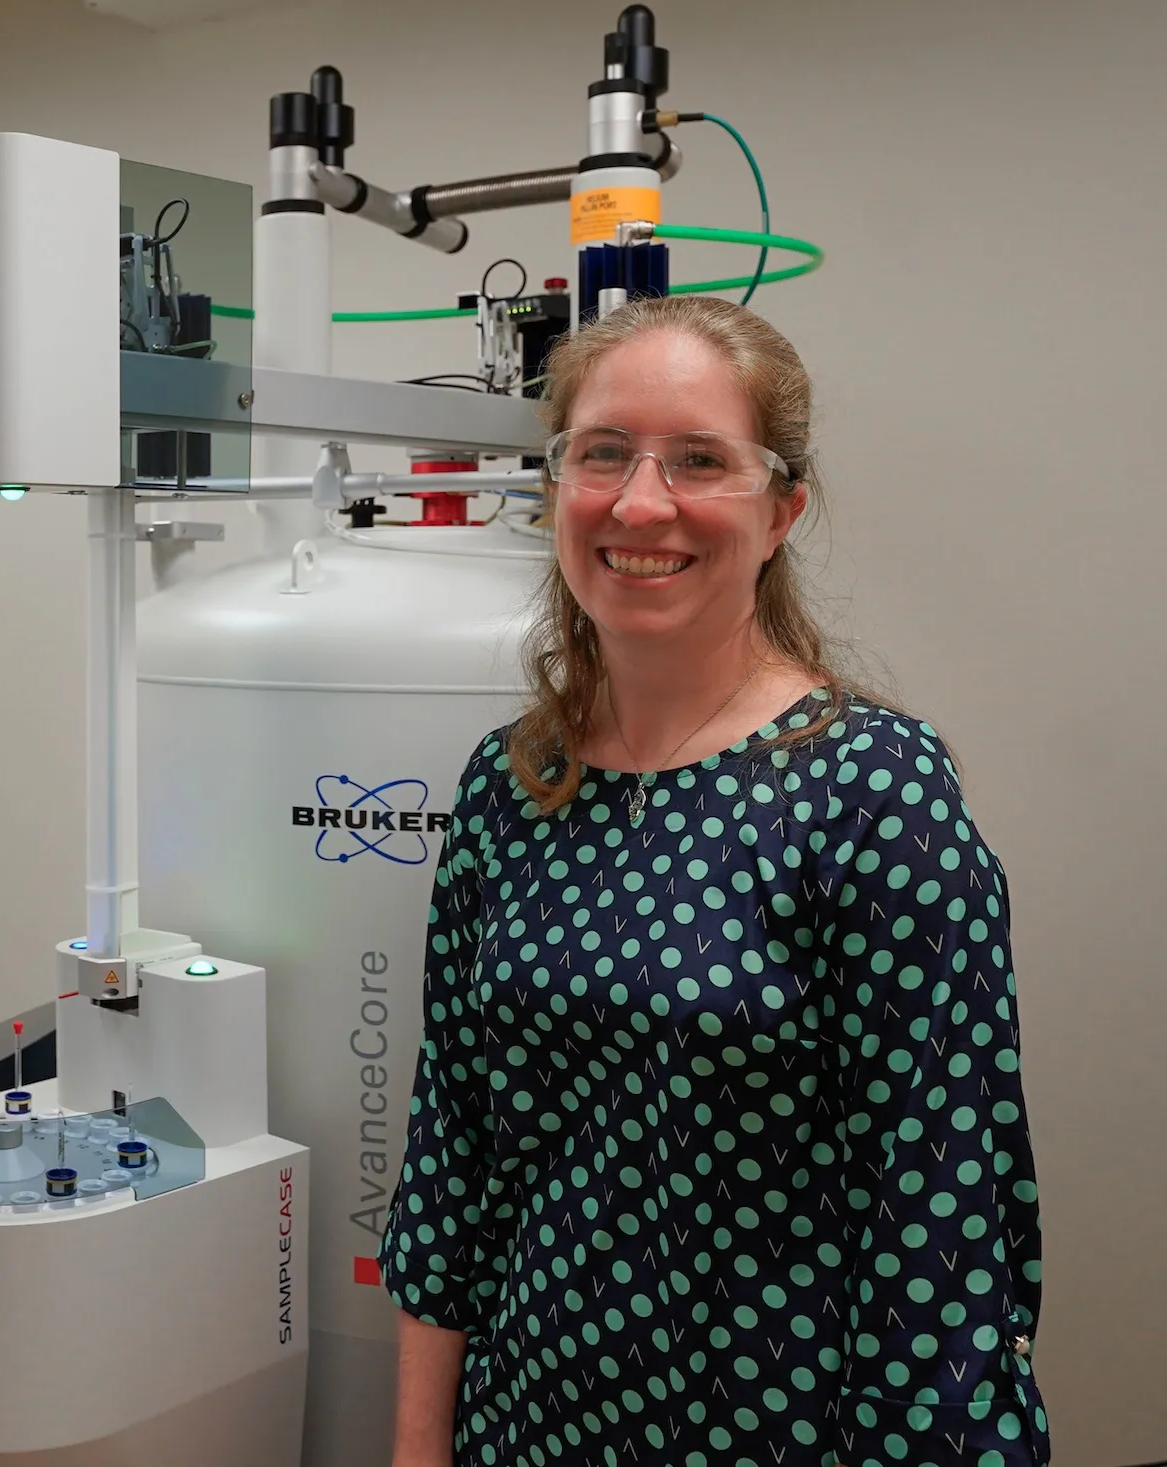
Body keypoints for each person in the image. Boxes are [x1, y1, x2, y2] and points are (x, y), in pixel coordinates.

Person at [379, 296, 1049, 1467]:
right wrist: (418, 1446)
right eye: (603, 455)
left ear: (780, 506)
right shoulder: (510, 783)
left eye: (699, 460)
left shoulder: (869, 794)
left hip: (779, 1432)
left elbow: (943, 1218)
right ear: (556, 489)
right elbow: (453, 1162)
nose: (641, 503)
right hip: (526, 1424)